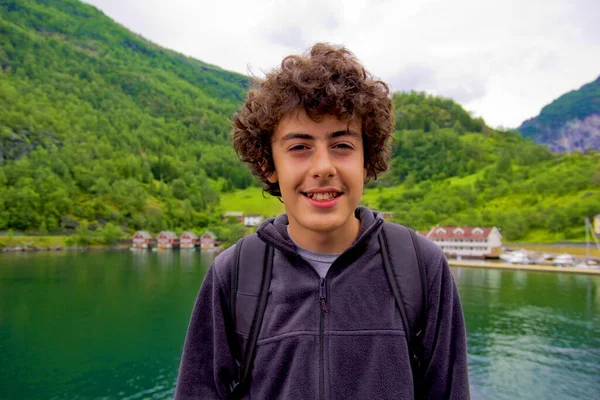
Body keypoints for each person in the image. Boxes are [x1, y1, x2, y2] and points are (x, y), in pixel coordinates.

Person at [175, 43, 470, 399]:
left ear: (366, 159)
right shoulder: (235, 274)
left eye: (342, 145)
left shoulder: (420, 267)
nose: (323, 167)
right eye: (299, 147)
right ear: (269, 164)